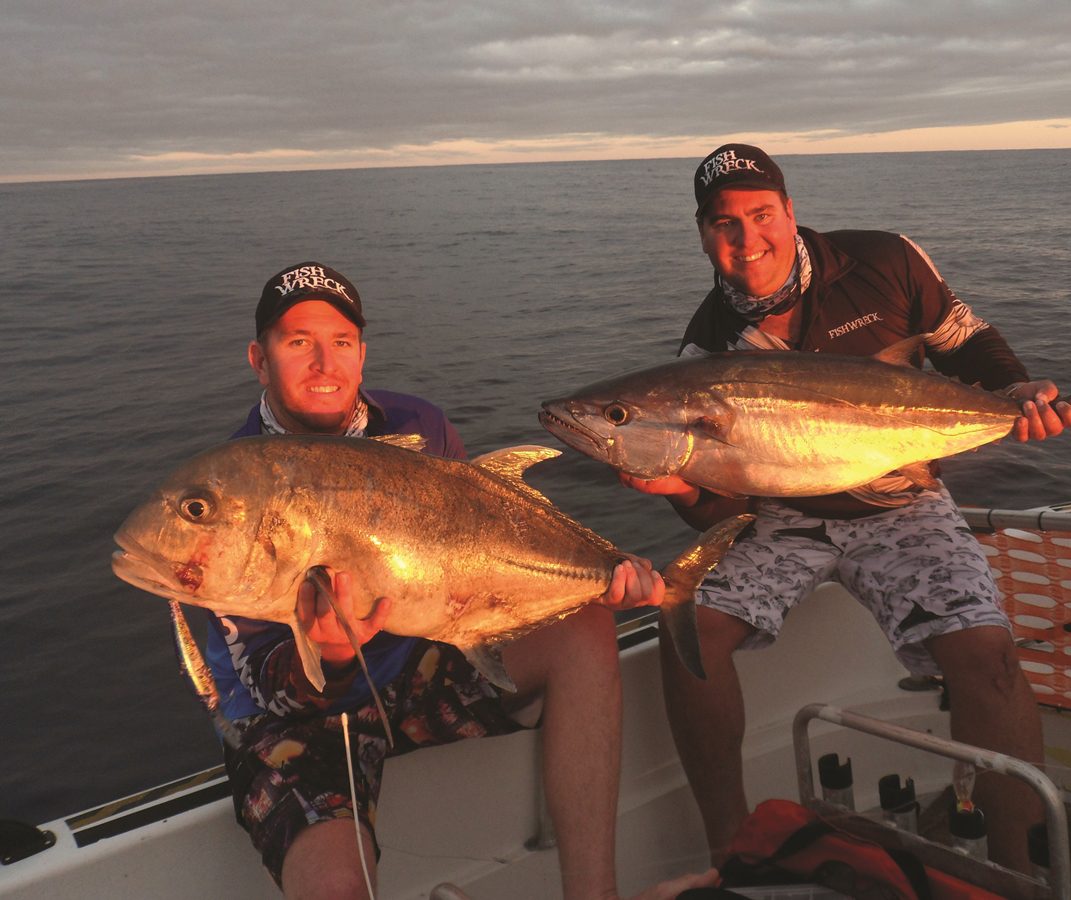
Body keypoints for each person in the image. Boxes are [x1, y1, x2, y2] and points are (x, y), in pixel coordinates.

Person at [619, 145, 1071, 873]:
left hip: (905, 500)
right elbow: (723, 511)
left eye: (761, 215)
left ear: (791, 212)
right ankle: (732, 849)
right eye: (724, 225)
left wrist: (1016, 391)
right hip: (784, 515)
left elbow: (965, 342)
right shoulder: (706, 345)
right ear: (703, 233)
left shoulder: (886, 261)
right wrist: (679, 487)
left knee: (988, 659)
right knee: (687, 627)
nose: (747, 242)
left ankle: (1016, 876)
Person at [203, 261, 720, 900]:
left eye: (340, 342)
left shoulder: (419, 426)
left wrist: (583, 583)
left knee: (585, 627)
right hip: (296, 716)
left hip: (416, 663)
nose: (323, 362)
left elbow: (474, 550)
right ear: (260, 358)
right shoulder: (228, 489)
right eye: (297, 342)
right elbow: (251, 679)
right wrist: (332, 655)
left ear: (362, 355)